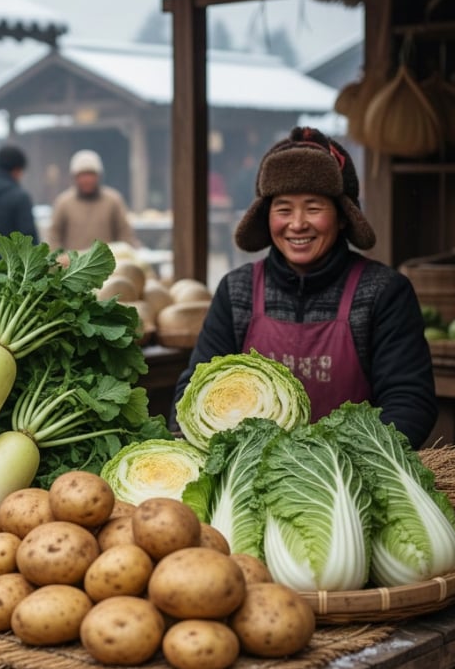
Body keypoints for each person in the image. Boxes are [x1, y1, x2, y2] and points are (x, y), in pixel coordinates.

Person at [171, 126, 437, 449]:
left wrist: (330, 467)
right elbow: (194, 389)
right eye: (283, 209)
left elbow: (409, 403)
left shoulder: (384, 292)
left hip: (349, 482)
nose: (297, 224)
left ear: (342, 217)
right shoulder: (237, 290)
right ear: (266, 218)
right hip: (250, 479)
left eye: (313, 208)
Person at [47, 149, 140, 253]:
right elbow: (54, 237)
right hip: (74, 265)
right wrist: (59, 260)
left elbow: (125, 235)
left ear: (98, 176)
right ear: (75, 178)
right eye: (82, 175)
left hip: (107, 265)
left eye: (90, 175)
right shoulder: (63, 203)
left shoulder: (113, 201)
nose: (87, 180)